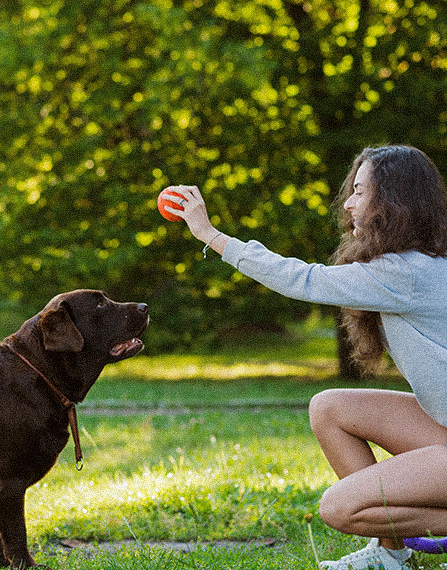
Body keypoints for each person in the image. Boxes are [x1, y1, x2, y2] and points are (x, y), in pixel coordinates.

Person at [161, 144, 447, 570]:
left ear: (393, 203)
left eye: (360, 192)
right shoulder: (411, 266)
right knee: (330, 407)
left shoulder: (409, 273)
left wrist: (210, 235)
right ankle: (390, 555)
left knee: (340, 508)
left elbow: (304, 280)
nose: (348, 202)